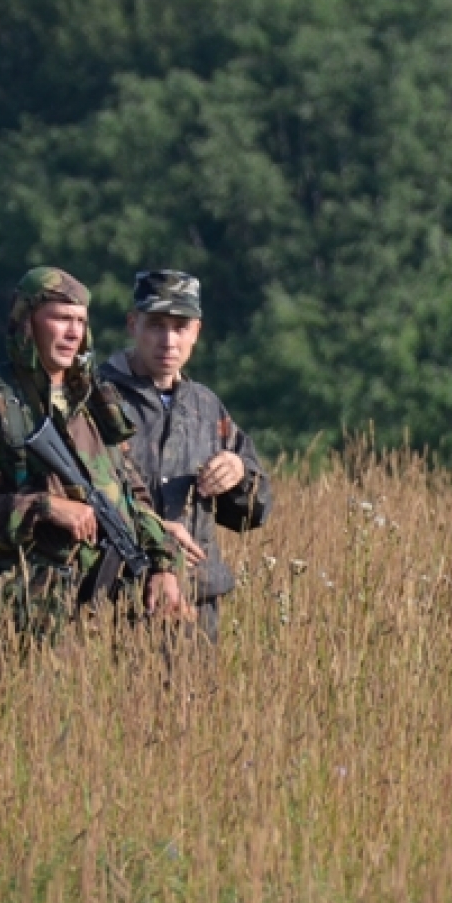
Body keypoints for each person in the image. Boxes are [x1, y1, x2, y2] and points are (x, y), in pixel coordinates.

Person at [0, 266, 188, 650]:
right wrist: (42, 508)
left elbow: (132, 496)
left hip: (114, 614)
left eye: (80, 321)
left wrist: (163, 566)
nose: (73, 333)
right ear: (27, 322)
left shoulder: (94, 400)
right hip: (33, 614)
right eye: (60, 319)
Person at [99, 270, 272, 642]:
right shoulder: (96, 400)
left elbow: (254, 512)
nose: (169, 340)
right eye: (156, 325)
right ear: (133, 324)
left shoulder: (205, 407)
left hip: (195, 613)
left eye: (180, 327)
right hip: (115, 606)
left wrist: (238, 473)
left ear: (197, 331)